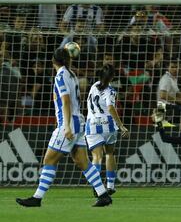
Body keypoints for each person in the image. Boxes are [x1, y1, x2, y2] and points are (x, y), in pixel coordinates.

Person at [16, 48, 112, 207]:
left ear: (53, 61)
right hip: (79, 121)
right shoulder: (72, 74)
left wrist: (66, 125)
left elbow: (66, 100)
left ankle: (37, 198)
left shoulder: (60, 76)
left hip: (70, 124)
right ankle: (103, 194)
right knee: (82, 161)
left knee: (49, 159)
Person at [86, 64, 129, 196]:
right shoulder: (110, 91)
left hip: (92, 124)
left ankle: (97, 186)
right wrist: (121, 125)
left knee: (96, 157)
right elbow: (110, 108)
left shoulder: (93, 87)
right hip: (108, 125)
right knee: (110, 154)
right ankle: (110, 186)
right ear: (113, 77)